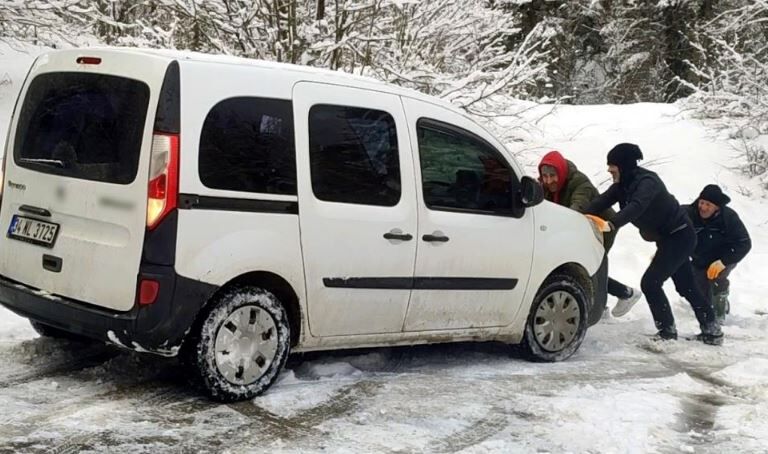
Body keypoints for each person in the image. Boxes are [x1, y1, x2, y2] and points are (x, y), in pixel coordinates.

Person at [584, 143, 722, 345]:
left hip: (680, 236)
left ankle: (667, 332)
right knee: (687, 287)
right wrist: (576, 216)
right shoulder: (623, 185)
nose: (609, 171)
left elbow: (637, 206)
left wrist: (612, 224)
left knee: (651, 282)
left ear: (624, 166)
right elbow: (601, 201)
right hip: (669, 239)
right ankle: (712, 331)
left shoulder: (648, 182)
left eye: (613, 167)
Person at [538, 150, 641, 317]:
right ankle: (606, 304)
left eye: (552, 175)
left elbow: (577, 209)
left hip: (601, 228)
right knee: (579, 268)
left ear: (561, 172)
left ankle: (625, 294)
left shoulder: (580, 184)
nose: (549, 180)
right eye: (545, 176)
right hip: (578, 228)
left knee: (589, 267)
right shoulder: (546, 184)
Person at [686, 184, 751, 323]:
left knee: (717, 279)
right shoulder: (689, 213)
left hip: (724, 257)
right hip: (700, 257)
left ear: (717, 207)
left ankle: (719, 311)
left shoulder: (729, 218)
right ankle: (709, 305)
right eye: (701, 202)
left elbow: (744, 243)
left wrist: (723, 262)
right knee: (699, 289)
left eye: (708, 204)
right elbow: (672, 230)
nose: (703, 207)